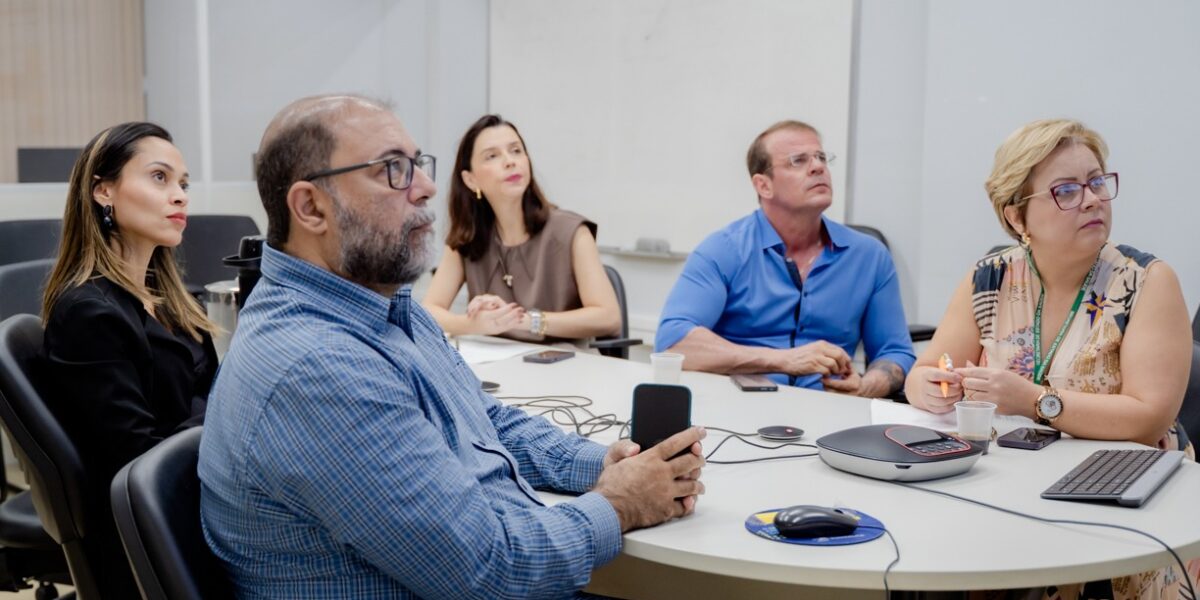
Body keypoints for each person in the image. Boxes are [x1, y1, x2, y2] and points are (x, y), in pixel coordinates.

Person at [198, 95, 706, 599]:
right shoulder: (318, 366)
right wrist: (620, 503)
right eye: (392, 170)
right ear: (311, 207)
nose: (425, 188)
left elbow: (483, 424)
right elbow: (493, 570)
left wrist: (603, 464)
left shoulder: (390, 308)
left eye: (417, 164)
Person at [904, 118, 1195, 599]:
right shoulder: (990, 279)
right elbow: (926, 371)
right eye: (1066, 190)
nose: (1092, 199)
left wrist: (1034, 400)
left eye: (1097, 182)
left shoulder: (1147, 281)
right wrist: (937, 389)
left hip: (1128, 502)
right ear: (1015, 217)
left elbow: (1148, 417)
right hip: (1014, 486)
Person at [40, 121, 216, 597]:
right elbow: (139, 457)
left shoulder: (170, 301)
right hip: (157, 529)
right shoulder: (88, 314)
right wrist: (221, 420)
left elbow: (208, 392)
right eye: (159, 178)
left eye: (183, 184)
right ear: (103, 191)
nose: (179, 196)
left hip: (198, 491)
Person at [656, 120, 915, 396]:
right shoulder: (724, 250)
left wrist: (865, 386)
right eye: (798, 161)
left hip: (829, 409)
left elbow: (895, 351)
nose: (818, 167)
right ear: (763, 185)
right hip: (739, 407)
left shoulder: (869, 256)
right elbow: (673, 342)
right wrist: (784, 359)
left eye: (821, 157)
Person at [422, 114, 620, 344]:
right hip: (497, 365)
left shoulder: (572, 232)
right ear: (470, 180)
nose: (509, 161)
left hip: (565, 365)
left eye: (516, 151)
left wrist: (524, 320)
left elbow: (608, 317)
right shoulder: (467, 238)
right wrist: (474, 325)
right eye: (492, 156)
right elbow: (429, 311)